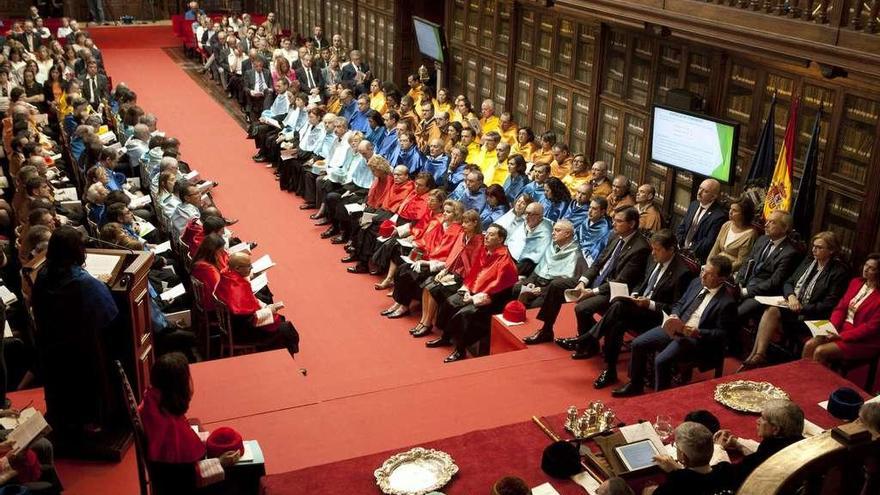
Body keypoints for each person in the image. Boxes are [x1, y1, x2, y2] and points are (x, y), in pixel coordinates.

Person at [566, 230, 695, 388]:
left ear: (671, 249)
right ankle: (610, 370)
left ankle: (588, 338)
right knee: (616, 322)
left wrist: (650, 304)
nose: (653, 253)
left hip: (656, 316)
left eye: (657, 250)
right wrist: (634, 294)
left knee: (618, 307)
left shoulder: (683, 273)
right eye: (652, 248)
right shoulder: (653, 259)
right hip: (637, 308)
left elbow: (676, 307)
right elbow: (641, 282)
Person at [32, 227, 119, 445]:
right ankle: (92, 427)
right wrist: (101, 284)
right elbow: (110, 314)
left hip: (52, 348)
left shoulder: (42, 275)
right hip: (82, 351)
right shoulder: (84, 283)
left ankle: (67, 424)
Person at [612, 255, 737, 397]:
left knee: (661, 361)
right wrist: (675, 315)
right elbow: (679, 304)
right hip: (677, 326)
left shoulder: (727, 302)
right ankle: (635, 385)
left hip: (695, 339)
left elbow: (723, 334)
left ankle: (662, 399)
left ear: (722, 279)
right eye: (703, 270)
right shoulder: (696, 283)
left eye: (709, 274)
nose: (703, 275)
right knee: (638, 343)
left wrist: (698, 332)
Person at [528, 207, 650, 345]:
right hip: (597, 281)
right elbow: (598, 264)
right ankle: (546, 330)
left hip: (613, 290)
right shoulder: (614, 236)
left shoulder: (640, 247)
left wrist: (592, 292)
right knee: (557, 285)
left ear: (632, 224)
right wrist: (582, 282)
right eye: (614, 220)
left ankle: (586, 343)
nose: (614, 224)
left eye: (618, 221)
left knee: (582, 308)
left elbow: (622, 281)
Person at [741, 231, 850, 370]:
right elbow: (789, 282)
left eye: (819, 247)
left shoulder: (838, 272)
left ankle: (755, 356)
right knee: (771, 310)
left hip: (813, 316)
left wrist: (801, 307)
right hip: (793, 306)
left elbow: (829, 304)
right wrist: (791, 296)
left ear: (831, 250)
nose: (814, 250)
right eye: (814, 246)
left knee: (771, 312)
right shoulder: (809, 260)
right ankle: (759, 354)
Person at [139, 352, 242, 492]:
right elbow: (184, 478)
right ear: (179, 388)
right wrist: (220, 462)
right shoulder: (167, 429)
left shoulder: (155, 402)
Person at [426, 224, 518, 362]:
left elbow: (496, 289)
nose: (486, 236)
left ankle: (460, 350)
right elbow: (475, 275)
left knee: (465, 314)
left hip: (492, 301)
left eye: (492, 235)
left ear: (501, 239)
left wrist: (473, 298)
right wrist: (466, 289)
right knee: (450, 302)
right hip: (473, 291)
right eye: (487, 233)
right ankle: (446, 337)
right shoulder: (485, 252)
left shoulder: (505, 261)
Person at [802, 253, 880, 366]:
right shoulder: (856, 282)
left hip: (863, 340)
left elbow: (870, 328)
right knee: (810, 344)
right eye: (866, 265)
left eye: (871, 268)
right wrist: (832, 327)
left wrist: (842, 336)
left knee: (821, 351)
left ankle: (814, 382)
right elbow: (841, 308)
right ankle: (800, 378)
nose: (866, 269)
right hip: (840, 328)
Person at [215, 253, 300, 356]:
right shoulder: (237, 289)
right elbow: (250, 319)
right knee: (286, 329)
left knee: (281, 321)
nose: (251, 268)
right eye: (249, 266)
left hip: (231, 325)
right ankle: (286, 362)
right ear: (237, 268)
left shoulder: (227, 276)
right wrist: (269, 310)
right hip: (241, 333)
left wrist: (265, 307)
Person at [712, 400, 804, 491]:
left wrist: (718, 447)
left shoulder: (765, 459)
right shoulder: (802, 443)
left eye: (763, 418)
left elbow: (727, 477)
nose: (757, 421)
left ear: (775, 429)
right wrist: (736, 443)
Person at [735, 210, 801, 323]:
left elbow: (774, 282)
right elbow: (747, 262)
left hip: (763, 295)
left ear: (785, 228)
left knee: (735, 314)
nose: (766, 225)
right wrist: (738, 282)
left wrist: (746, 291)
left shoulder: (790, 252)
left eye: (772, 222)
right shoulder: (762, 239)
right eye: (767, 221)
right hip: (745, 285)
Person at [515, 219, 582, 310]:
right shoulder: (551, 246)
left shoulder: (576, 254)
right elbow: (540, 268)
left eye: (557, 230)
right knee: (517, 288)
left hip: (551, 288)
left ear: (567, 234)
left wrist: (542, 290)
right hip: (537, 282)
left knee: (536, 305)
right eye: (553, 230)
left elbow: (568, 281)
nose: (553, 233)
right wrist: (531, 282)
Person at [675, 178, 726, 262]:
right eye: (700, 188)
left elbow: (708, 241)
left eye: (705, 191)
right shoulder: (693, 205)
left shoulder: (719, 216)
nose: (699, 193)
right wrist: (679, 244)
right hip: (680, 249)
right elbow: (682, 226)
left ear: (713, 197)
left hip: (696, 257)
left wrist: (689, 251)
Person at [707, 197, 759, 273]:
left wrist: (719, 271)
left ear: (744, 214)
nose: (730, 212)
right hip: (715, 267)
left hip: (730, 271)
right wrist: (708, 264)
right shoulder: (726, 225)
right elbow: (716, 247)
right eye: (730, 209)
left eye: (735, 210)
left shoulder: (750, 234)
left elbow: (740, 262)